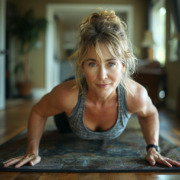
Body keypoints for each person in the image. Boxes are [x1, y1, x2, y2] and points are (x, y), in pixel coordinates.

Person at [2, 8, 180, 169]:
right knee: (68, 99)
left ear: (123, 65)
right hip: (72, 110)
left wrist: (153, 147)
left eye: (111, 63)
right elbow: (38, 111)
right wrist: (32, 150)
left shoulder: (136, 95)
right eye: (92, 63)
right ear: (83, 66)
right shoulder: (66, 96)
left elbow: (150, 114)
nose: (102, 74)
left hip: (102, 88)